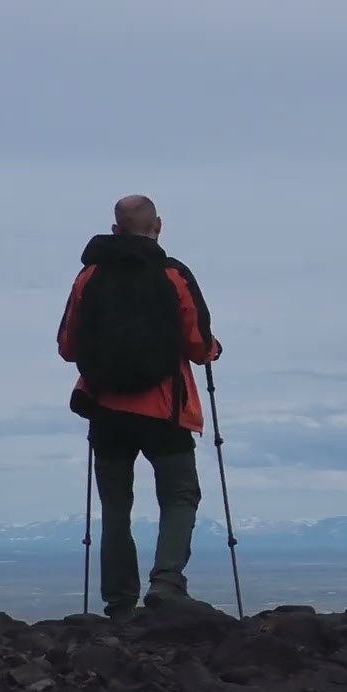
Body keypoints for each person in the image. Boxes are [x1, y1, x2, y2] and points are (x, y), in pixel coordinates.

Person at [56, 194, 222, 620]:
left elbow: (68, 346)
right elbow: (199, 344)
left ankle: (119, 601)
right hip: (164, 410)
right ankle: (166, 583)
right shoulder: (172, 275)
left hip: (107, 409)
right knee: (180, 494)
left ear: (115, 229)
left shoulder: (88, 277)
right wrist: (212, 350)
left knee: (115, 507)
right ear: (158, 226)